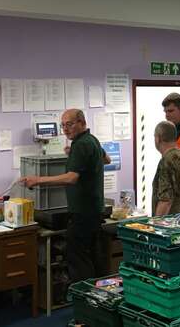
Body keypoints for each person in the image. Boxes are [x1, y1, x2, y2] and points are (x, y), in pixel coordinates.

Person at [20, 108, 104, 282]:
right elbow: (106, 159)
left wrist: (38, 180)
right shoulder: (91, 140)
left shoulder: (81, 144)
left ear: (82, 123)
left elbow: (72, 178)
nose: (66, 129)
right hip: (94, 210)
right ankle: (96, 297)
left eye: (70, 124)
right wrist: (74, 156)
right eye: (63, 125)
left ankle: (84, 299)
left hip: (82, 211)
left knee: (78, 258)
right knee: (91, 255)